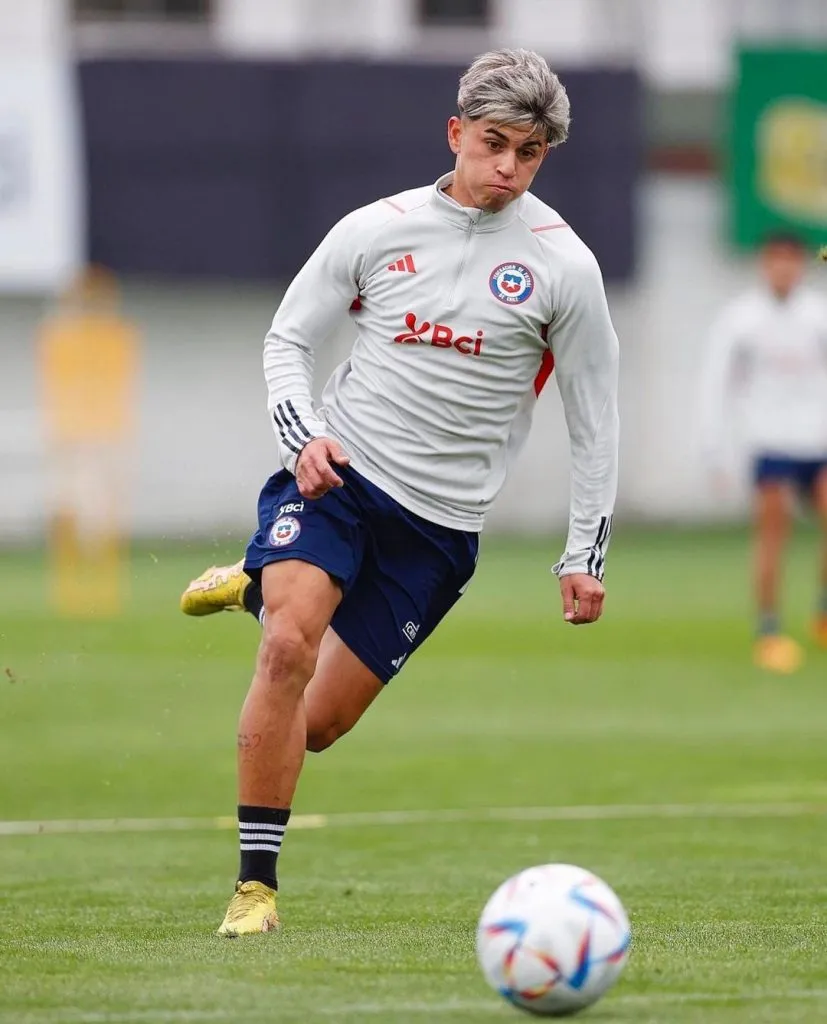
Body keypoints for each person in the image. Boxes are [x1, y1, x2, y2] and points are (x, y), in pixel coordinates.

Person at [182, 49, 620, 936]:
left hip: (439, 531)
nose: (505, 167)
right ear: (455, 133)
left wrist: (583, 555)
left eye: (527, 152)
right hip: (338, 478)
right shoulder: (374, 229)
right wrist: (304, 440)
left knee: (316, 725)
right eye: (492, 143)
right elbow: (285, 342)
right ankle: (254, 891)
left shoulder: (562, 267)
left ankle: (257, 581)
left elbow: (595, 420)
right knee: (287, 648)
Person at [700, 232, 827, 673]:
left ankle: (823, 612)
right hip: (770, 439)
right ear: (763, 264)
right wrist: (715, 451)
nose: (784, 270)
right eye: (776, 261)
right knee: (774, 535)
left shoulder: (817, 314)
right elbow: (716, 385)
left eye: (792, 262)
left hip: (818, 438)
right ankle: (770, 629)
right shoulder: (741, 319)